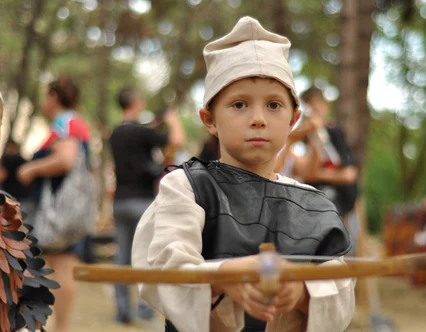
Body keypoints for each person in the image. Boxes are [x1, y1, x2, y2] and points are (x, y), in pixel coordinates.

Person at [132, 16, 355, 332]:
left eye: (274, 105)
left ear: (294, 119)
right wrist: (222, 278)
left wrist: (303, 291)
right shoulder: (187, 187)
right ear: (209, 118)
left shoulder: (312, 204)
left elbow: (340, 285)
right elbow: (164, 271)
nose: (258, 119)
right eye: (239, 104)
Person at [16, 76, 93, 332]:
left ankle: (61, 327)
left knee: (62, 264)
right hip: (68, 211)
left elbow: (66, 159)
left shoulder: (65, 122)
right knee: (64, 262)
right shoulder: (74, 121)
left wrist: (31, 168)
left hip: (59, 212)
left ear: (53, 97)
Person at [109, 87, 185, 324]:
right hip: (142, 200)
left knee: (121, 257)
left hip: (119, 201)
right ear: (134, 101)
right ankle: (144, 308)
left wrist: (155, 123)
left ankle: (122, 310)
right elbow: (177, 141)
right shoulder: (141, 133)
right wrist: (172, 121)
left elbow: (140, 142)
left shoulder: (115, 134)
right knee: (146, 255)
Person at [275, 87, 359, 218]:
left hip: (340, 200)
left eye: (317, 107)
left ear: (326, 106)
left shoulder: (336, 133)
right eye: (311, 108)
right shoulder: (304, 138)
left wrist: (321, 174)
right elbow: (308, 173)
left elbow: (349, 174)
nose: (314, 112)